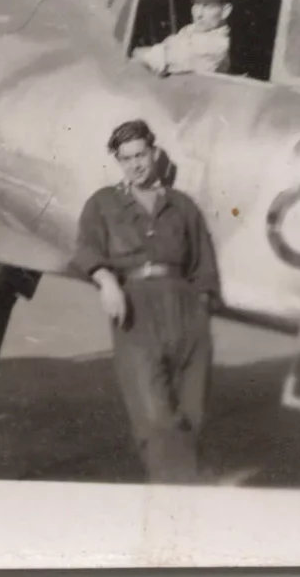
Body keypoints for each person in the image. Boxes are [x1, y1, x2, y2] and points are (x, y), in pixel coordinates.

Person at [73, 119, 221, 484]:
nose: (135, 164)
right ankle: (175, 501)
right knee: (154, 416)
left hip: (185, 309)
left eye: (140, 155)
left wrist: (200, 312)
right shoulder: (103, 203)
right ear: (118, 162)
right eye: (126, 159)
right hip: (135, 309)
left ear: (153, 153)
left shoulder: (182, 205)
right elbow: (85, 250)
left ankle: (179, 492)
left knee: (192, 412)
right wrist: (107, 281)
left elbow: (203, 266)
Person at [132, 0, 235, 76]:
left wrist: (135, 52)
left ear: (225, 11)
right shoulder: (190, 30)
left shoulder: (216, 45)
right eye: (196, 4)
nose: (198, 14)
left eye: (207, 6)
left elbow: (160, 58)